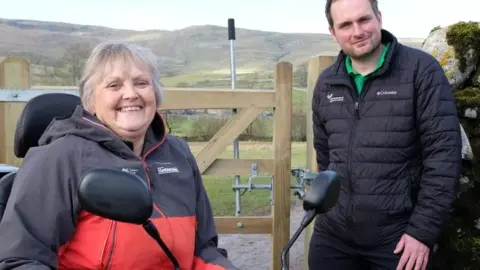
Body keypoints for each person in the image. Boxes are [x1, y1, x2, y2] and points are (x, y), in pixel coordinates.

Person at [0, 41, 239, 270]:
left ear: (155, 92)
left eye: (141, 83)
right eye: (114, 85)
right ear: (91, 101)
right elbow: (20, 259)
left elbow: (203, 248)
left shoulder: (178, 153)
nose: (131, 94)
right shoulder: (60, 157)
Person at [308, 0, 462, 269]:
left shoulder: (421, 72)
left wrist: (421, 232)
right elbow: (326, 157)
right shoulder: (326, 83)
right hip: (333, 237)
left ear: (379, 18)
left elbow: (444, 159)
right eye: (345, 24)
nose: (357, 31)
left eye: (364, 19)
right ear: (333, 32)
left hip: (398, 239)